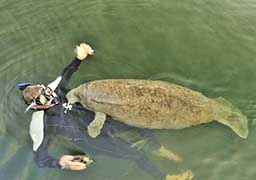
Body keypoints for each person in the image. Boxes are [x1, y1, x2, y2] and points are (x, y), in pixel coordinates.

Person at [18, 43, 170, 179]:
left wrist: (79, 57)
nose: (50, 99)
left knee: (140, 125)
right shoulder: (41, 123)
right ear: (35, 106)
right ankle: (166, 177)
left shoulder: (56, 89)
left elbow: (67, 72)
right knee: (137, 155)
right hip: (94, 141)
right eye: (43, 101)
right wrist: (60, 163)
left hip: (101, 120)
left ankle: (159, 149)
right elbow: (40, 159)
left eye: (48, 93)